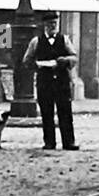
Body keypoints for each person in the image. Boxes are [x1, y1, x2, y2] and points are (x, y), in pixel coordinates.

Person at [23, 16, 79, 150]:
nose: (53, 26)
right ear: (44, 26)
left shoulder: (64, 40)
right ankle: (49, 142)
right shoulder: (36, 42)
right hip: (45, 82)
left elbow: (74, 57)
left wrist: (64, 60)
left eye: (55, 23)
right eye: (50, 24)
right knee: (46, 113)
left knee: (65, 112)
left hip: (62, 82)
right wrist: (37, 66)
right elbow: (27, 60)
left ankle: (68, 142)